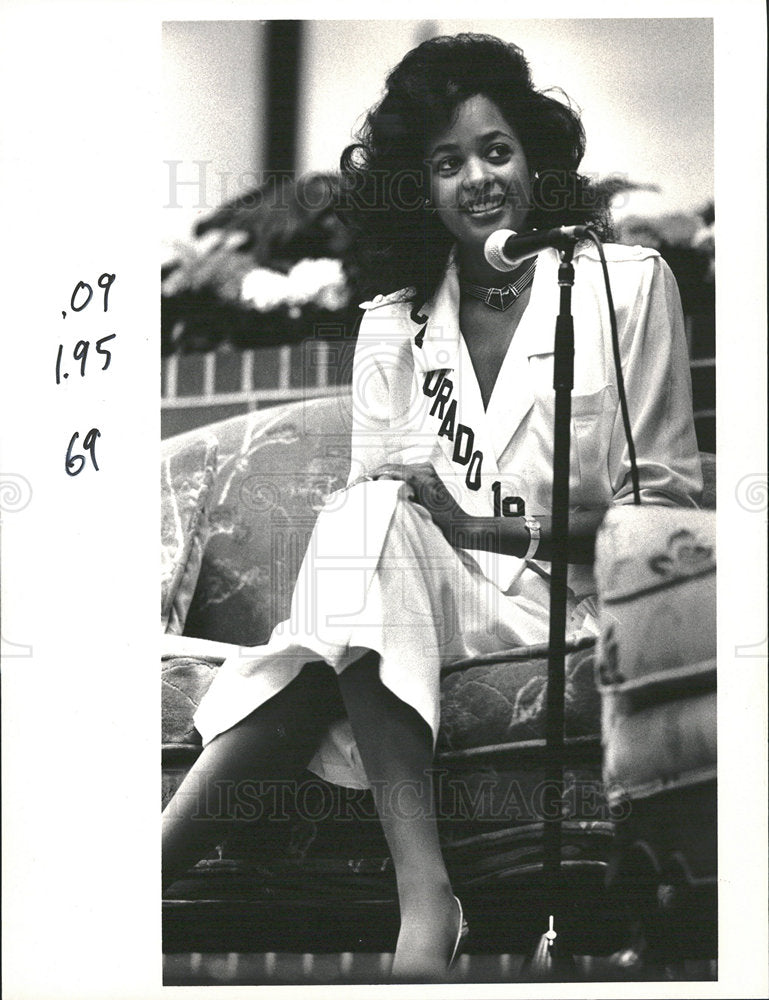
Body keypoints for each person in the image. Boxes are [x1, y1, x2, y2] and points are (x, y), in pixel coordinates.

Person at [161, 33, 702, 980]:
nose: (478, 179)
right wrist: (432, 524)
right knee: (366, 516)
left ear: (534, 157)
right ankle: (428, 895)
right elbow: (381, 518)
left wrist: (482, 526)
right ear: (420, 188)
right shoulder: (393, 321)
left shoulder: (622, 286)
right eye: (447, 163)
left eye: (496, 150)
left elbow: (660, 508)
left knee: (340, 616)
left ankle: (141, 873)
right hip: (422, 609)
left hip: (564, 602)